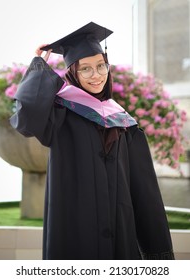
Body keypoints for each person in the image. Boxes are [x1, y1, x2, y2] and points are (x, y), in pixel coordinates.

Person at [10, 22, 174, 260]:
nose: (96, 75)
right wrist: (38, 66)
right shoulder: (60, 115)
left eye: (101, 66)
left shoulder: (125, 123)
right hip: (75, 234)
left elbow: (145, 194)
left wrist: (158, 252)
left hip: (120, 236)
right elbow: (26, 119)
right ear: (72, 72)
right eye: (85, 69)